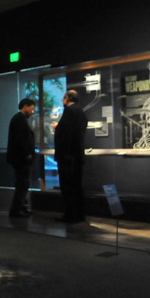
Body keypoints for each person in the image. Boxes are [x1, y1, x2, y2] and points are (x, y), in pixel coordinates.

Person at [54, 90, 88, 223]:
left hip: (67, 157)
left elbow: (66, 135)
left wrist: (58, 128)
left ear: (66, 98)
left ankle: (70, 215)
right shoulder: (81, 112)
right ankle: (80, 215)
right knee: (78, 187)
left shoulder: (68, 111)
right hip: (78, 156)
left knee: (67, 187)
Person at [6, 98, 36, 217]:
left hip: (20, 158)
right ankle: (17, 209)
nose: (32, 112)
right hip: (21, 159)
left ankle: (22, 207)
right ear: (25, 106)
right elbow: (21, 139)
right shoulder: (19, 119)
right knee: (22, 183)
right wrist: (26, 153)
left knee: (23, 183)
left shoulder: (18, 118)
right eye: (32, 108)